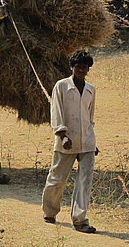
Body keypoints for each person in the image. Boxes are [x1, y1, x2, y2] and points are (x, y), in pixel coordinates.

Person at [42, 49, 99, 233]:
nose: (81, 70)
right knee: (57, 178)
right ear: (72, 67)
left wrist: (91, 141)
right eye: (78, 67)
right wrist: (62, 135)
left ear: (88, 69)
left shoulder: (91, 89)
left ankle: (80, 220)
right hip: (66, 140)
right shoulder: (61, 86)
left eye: (84, 67)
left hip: (87, 142)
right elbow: (56, 112)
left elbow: (89, 117)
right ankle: (49, 211)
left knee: (85, 181)